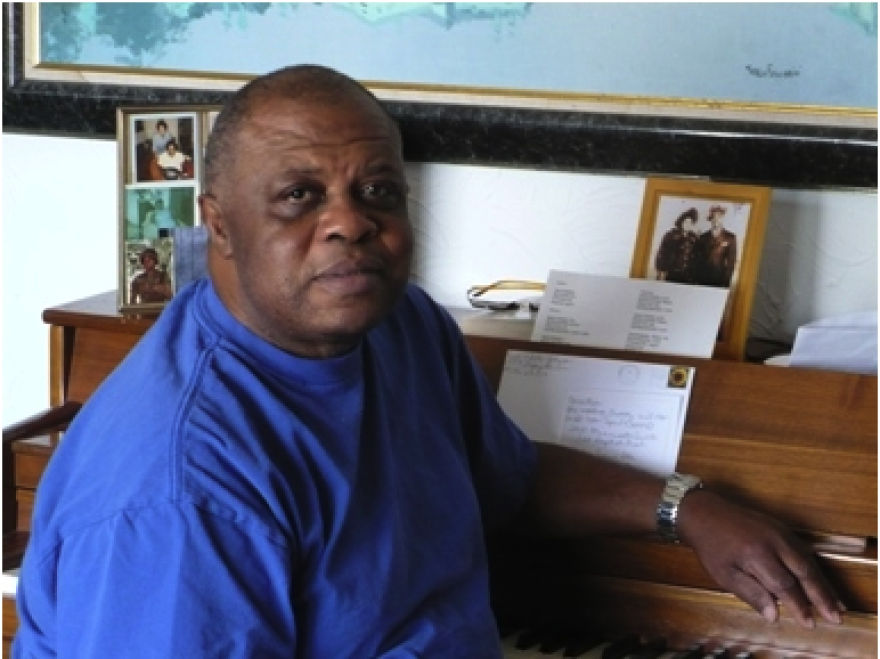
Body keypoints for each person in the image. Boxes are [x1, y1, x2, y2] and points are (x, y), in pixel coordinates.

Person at [14, 65, 843, 658]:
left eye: (378, 191)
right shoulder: (180, 493)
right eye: (300, 196)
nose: (351, 224)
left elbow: (503, 478)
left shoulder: (396, 323)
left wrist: (686, 507)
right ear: (218, 225)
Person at [694, 205, 738, 288]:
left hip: (720, 280)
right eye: (714, 217)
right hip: (702, 280)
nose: (716, 220)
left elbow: (731, 262)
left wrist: (726, 281)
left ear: (723, 218)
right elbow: (697, 260)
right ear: (710, 219)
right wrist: (697, 279)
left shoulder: (730, 237)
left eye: (719, 217)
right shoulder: (703, 237)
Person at [654, 207, 699, 283]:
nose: (687, 225)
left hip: (687, 276)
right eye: (686, 222)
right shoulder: (670, 235)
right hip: (671, 273)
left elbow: (696, 257)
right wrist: (661, 272)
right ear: (681, 222)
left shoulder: (693, 238)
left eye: (690, 223)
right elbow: (662, 254)